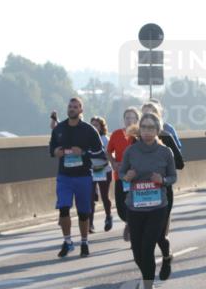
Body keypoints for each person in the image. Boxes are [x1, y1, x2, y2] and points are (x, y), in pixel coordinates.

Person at [119, 113, 178, 289]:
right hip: (135, 207)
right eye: (144, 127)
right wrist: (127, 176)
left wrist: (162, 181)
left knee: (147, 247)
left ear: (158, 130)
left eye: (151, 128)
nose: (147, 131)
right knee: (137, 251)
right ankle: (147, 276)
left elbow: (172, 177)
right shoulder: (131, 151)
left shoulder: (165, 152)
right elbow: (121, 174)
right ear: (139, 129)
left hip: (157, 207)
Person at [48, 97, 104, 257]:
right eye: (70, 106)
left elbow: (100, 153)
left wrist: (84, 152)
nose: (71, 109)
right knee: (63, 209)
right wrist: (55, 152)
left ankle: (84, 242)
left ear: (81, 110)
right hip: (64, 176)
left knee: (83, 212)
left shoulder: (89, 130)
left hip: (83, 176)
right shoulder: (59, 129)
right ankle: (67, 241)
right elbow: (51, 148)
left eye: (75, 107)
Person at [156, 119, 184, 280]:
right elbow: (125, 169)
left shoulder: (166, 139)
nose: (147, 129)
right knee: (140, 242)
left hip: (163, 192)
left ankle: (166, 257)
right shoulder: (134, 142)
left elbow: (179, 164)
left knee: (158, 234)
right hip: (140, 195)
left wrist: (162, 176)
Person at [107, 107, 139, 242]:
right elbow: (108, 152)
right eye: (127, 118)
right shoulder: (116, 134)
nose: (129, 121)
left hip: (136, 177)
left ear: (137, 120)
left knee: (134, 204)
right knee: (121, 207)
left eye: (132, 118)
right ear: (123, 120)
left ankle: (133, 227)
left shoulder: (140, 136)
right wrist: (113, 162)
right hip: (120, 176)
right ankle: (128, 222)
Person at [89, 116, 113, 233]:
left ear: (101, 127)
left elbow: (106, 156)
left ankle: (108, 216)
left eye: (96, 125)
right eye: (92, 125)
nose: (94, 127)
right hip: (91, 170)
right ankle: (90, 223)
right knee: (91, 197)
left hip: (103, 169)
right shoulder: (86, 138)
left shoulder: (105, 139)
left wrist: (92, 154)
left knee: (104, 196)